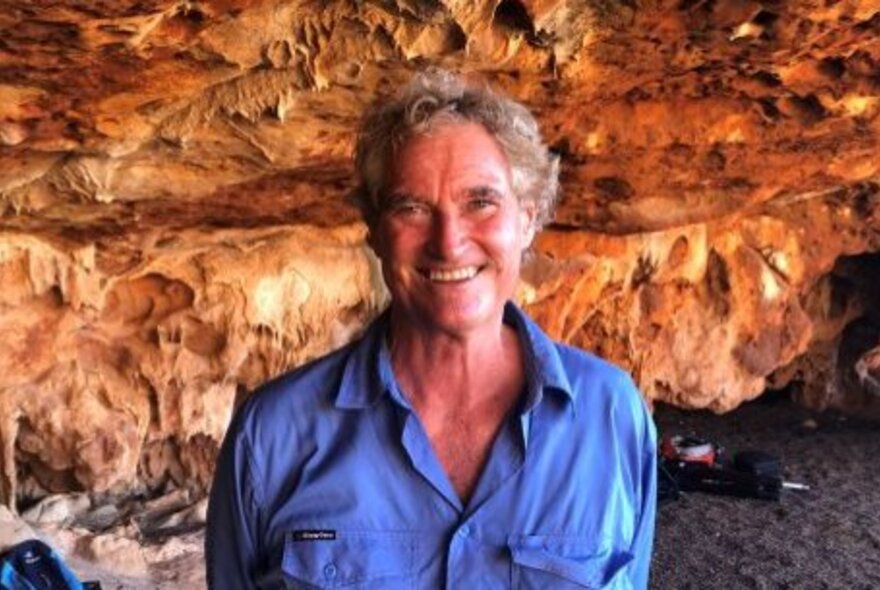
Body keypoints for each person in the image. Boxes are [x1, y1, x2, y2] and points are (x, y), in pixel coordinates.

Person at [206, 68, 657, 589]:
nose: (448, 242)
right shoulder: (272, 436)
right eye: (412, 208)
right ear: (375, 231)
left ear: (527, 218)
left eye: (480, 202)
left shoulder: (611, 416)